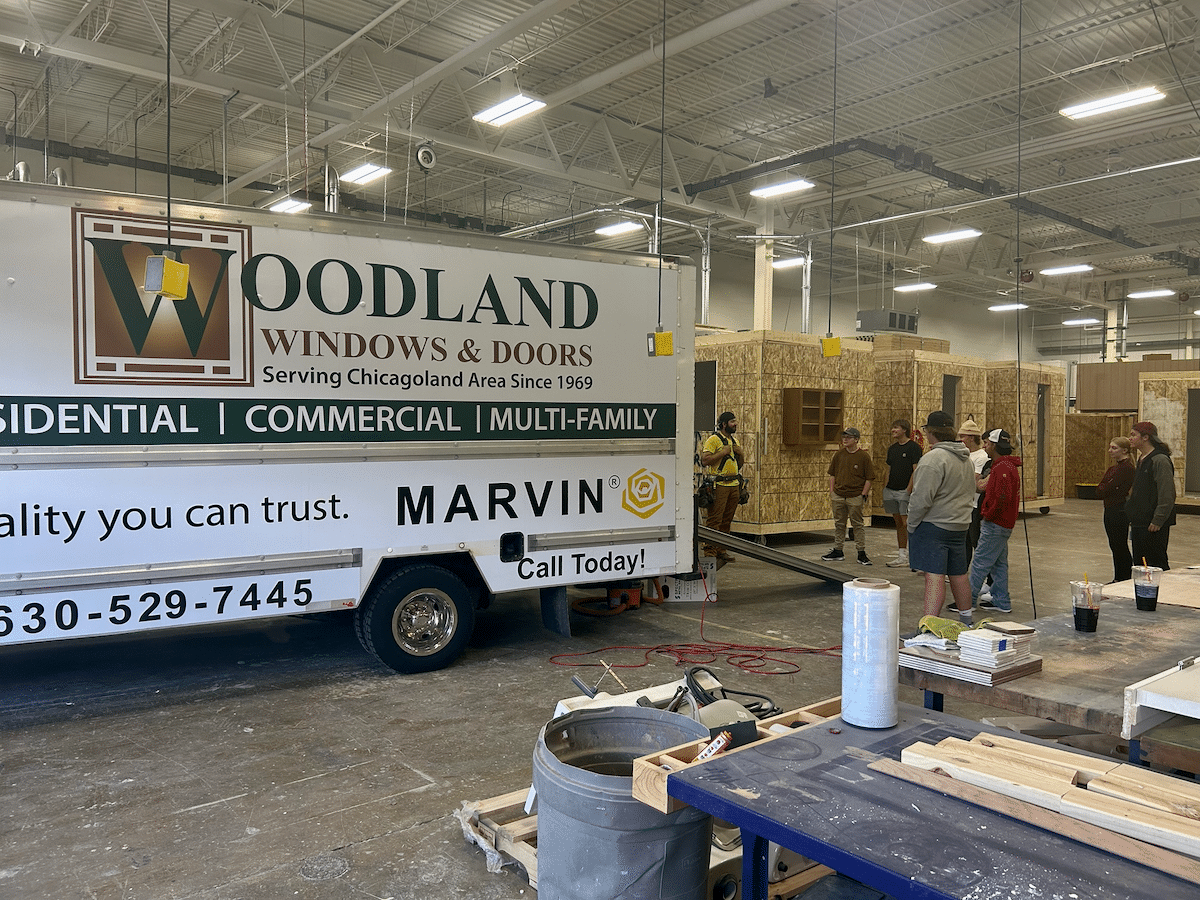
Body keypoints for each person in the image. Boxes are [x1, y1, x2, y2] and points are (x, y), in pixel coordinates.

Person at [907, 411, 975, 625]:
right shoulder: (966, 459)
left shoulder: (932, 459)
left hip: (935, 526)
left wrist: (911, 523)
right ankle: (966, 621)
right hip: (960, 525)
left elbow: (921, 499)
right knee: (959, 573)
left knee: (934, 575)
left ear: (930, 432)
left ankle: (928, 626)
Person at [970, 429, 1022, 614]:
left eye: (986, 443)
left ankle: (966, 602)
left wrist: (987, 514)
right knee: (999, 564)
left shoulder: (1001, 468)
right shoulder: (1007, 466)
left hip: (995, 524)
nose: (984, 446)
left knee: (980, 563)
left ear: (993, 445)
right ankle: (1002, 601)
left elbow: (1001, 498)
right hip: (1002, 524)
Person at [821, 427, 875, 565]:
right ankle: (838, 550)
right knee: (839, 524)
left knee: (857, 525)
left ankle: (861, 552)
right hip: (838, 495)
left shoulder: (863, 456)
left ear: (856, 439)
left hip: (855, 495)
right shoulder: (839, 454)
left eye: (849, 437)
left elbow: (869, 478)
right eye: (844, 437)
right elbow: (832, 474)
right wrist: (832, 491)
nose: (845, 439)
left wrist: (863, 494)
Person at [1126, 421, 1176, 571]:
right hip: (1139, 521)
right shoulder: (1142, 459)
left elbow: (1167, 493)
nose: (1130, 438)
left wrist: (1158, 519)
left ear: (1146, 437)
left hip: (1152, 524)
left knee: (1155, 564)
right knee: (1141, 565)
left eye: (1133, 435)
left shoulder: (1160, 460)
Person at [700, 412, 744, 565]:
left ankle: (721, 550)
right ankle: (710, 553)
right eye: (732, 421)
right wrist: (722, 452)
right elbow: (705, 461)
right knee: (715, 520)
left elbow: (738, 465)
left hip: (734, 485)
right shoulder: (713, 440)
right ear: (724, 424)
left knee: (727, 520)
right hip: (719, 485)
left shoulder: (734, 441)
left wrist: (741, 454)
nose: (735, 424)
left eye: (735, 421)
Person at [883, 419, 922, 568]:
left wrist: (908, 490)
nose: (893, 430)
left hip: (904, 492)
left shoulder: (914, 448)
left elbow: (916, 470)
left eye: (896, 428)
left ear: (904, 430)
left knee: (907, 523)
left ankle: (915, 556)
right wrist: (885, 487)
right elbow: (888, 469)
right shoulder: (892, 449)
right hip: (891, 490)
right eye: (892, 428)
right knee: (898, 522)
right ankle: (901, 555)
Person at [1097, 436, 1135, 583]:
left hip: (1118, 510)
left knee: (1119, 545)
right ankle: (1118, 577)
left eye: (1114, 448)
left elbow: (1106, 488)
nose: (1110, 451)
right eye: (1110, 447)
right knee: (1115, 545)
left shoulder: (1126, 469)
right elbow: (1100, 489)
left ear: (1124, 450)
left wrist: (1105, 487)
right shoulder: (1114, 468)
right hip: (1110, 508)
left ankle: (1123, 578)